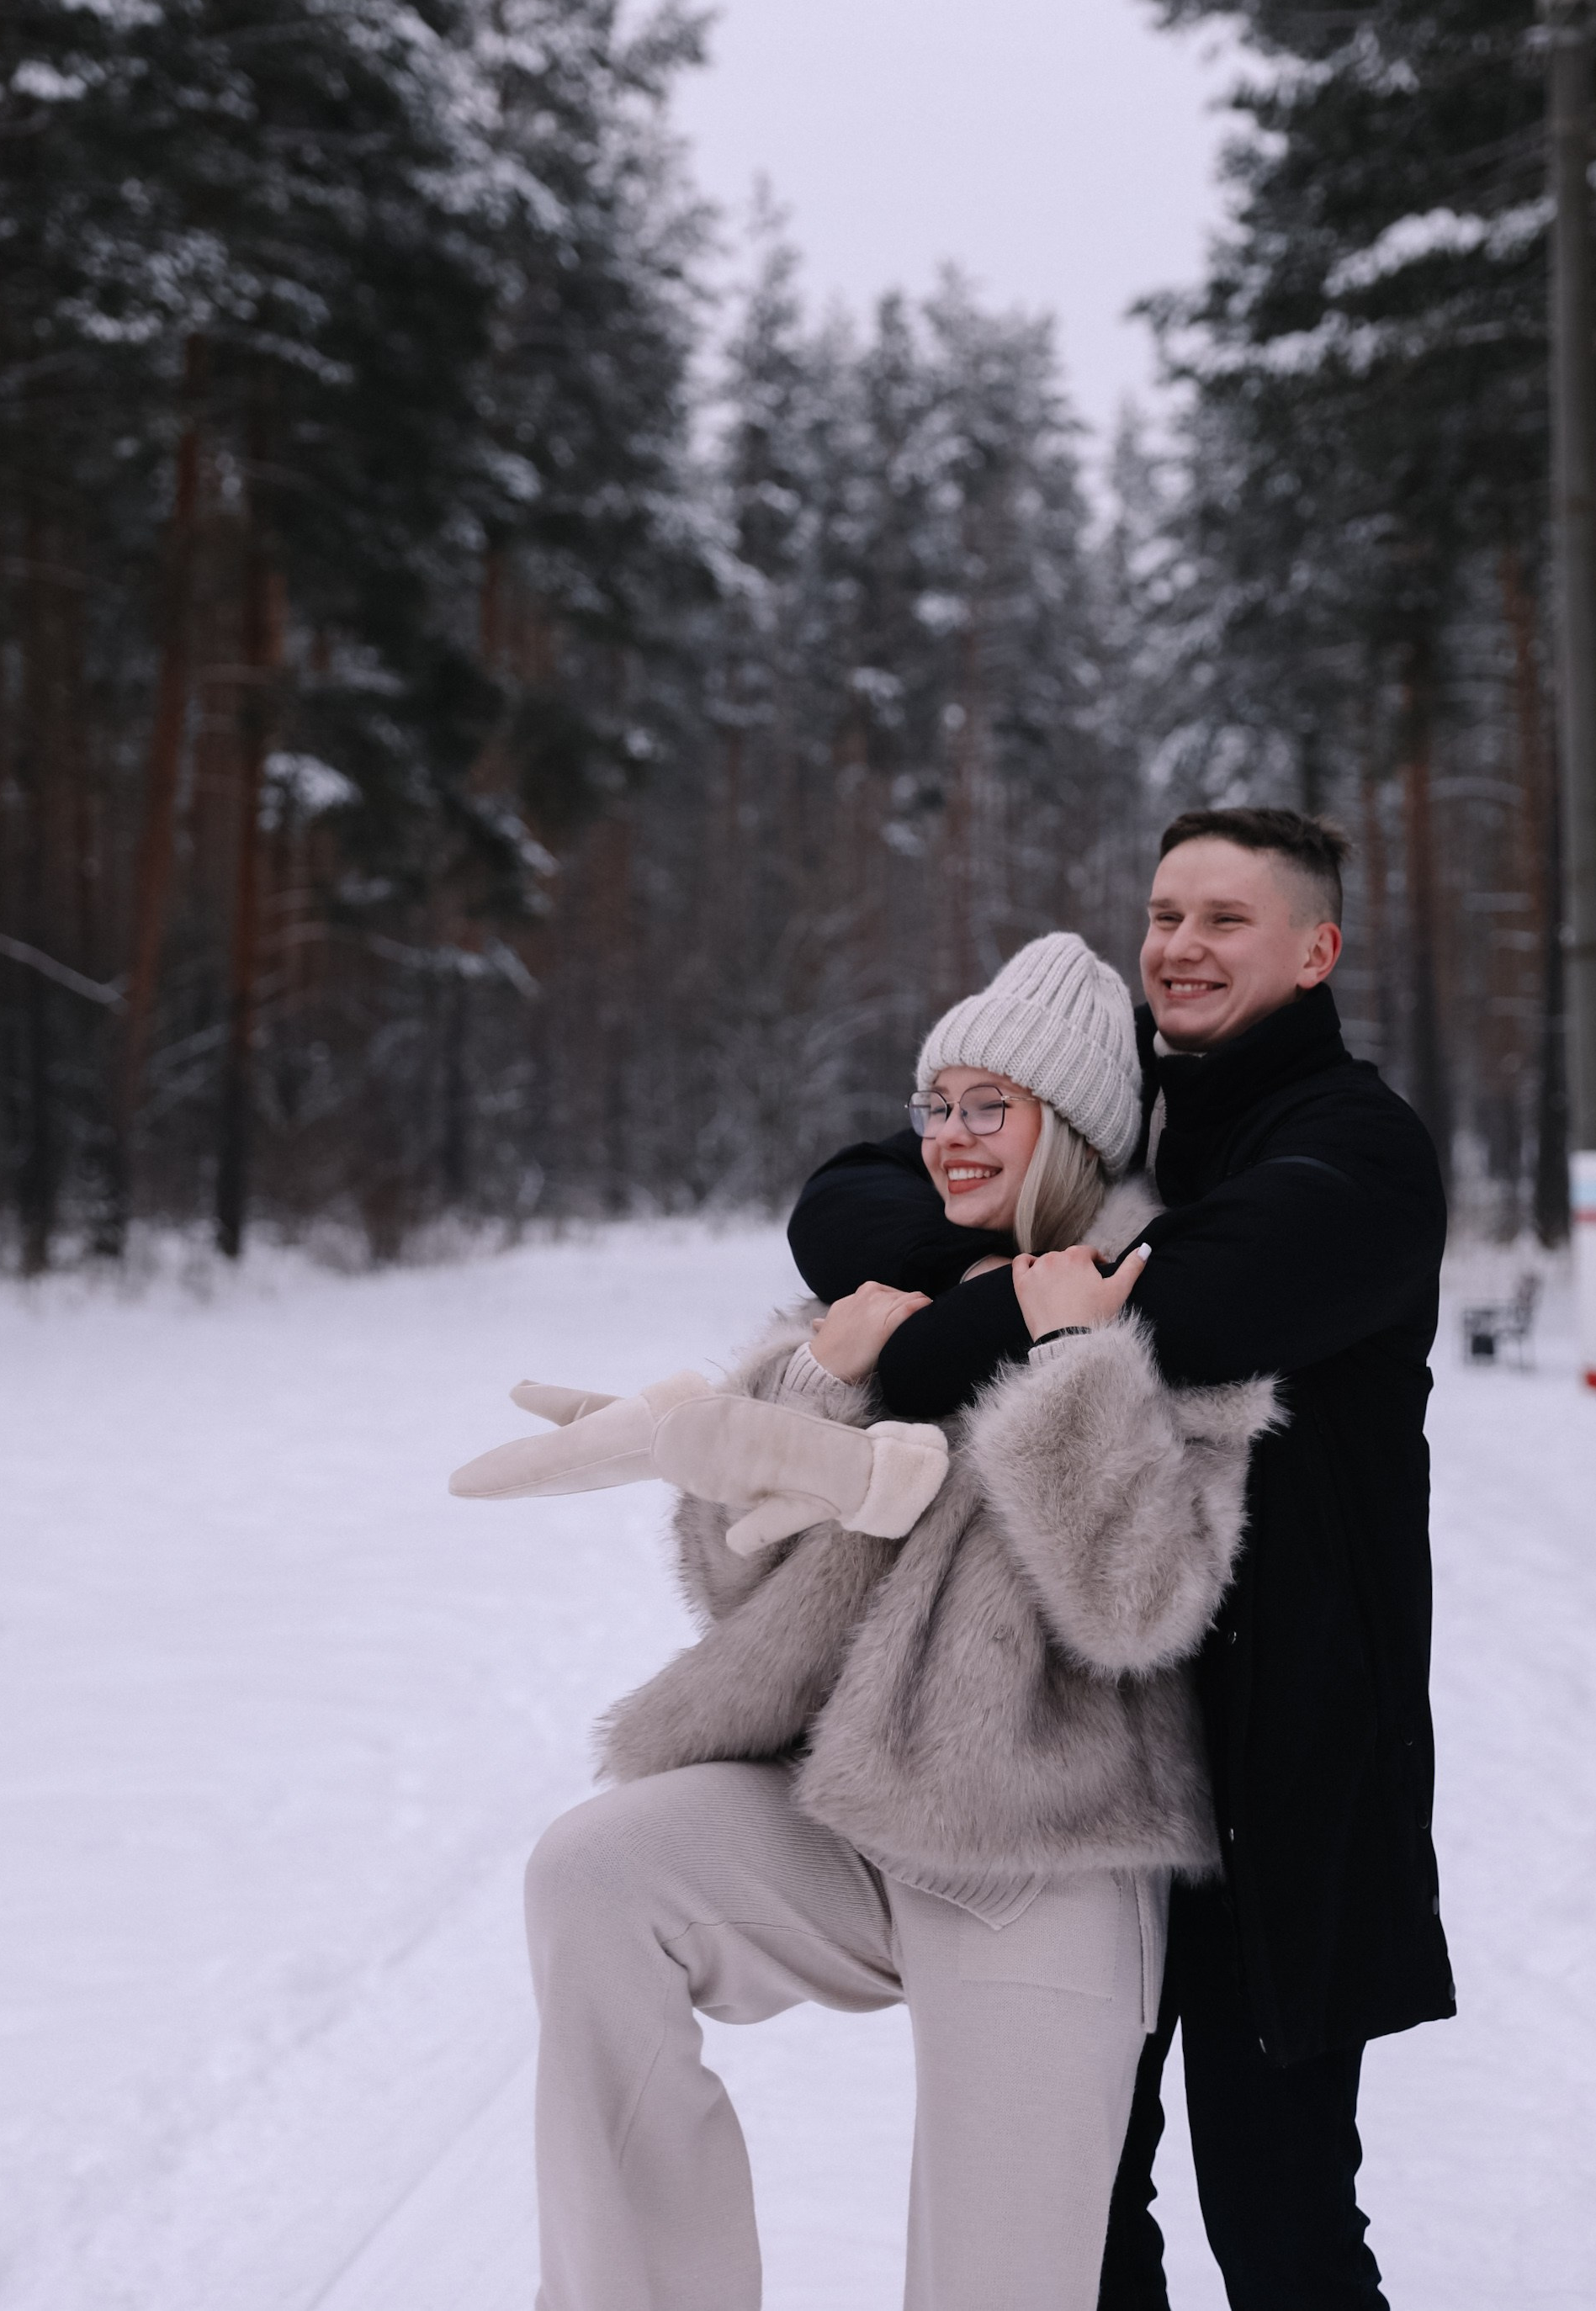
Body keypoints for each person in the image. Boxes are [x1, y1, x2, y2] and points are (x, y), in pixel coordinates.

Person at [451, 932, 1282, 2311]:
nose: (949, 1139)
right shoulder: (862, 1307)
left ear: (1067, 1124)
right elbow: (736, 1596)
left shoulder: (1160, 1317)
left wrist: (1075, 1364)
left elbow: (1141, 1610)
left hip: (1049, 1854)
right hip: (845, 1822)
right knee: (595, 1874)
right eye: (935, 1105)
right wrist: (824, 1394)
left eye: (987, 1108)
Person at [788, 808, 1455, 2310]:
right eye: (1164, 914)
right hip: (1098, 1763)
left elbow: (1185, 1315)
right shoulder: (1135, 1111)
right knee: (1079, 2207)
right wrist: (1016, 1274)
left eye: (1226, 919)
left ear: (1315, 949)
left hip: (1280, 1771)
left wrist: (937, 1333)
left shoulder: (1360, 1150)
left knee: (1281, 2219)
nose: (1180, 946)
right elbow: (849, 1192)